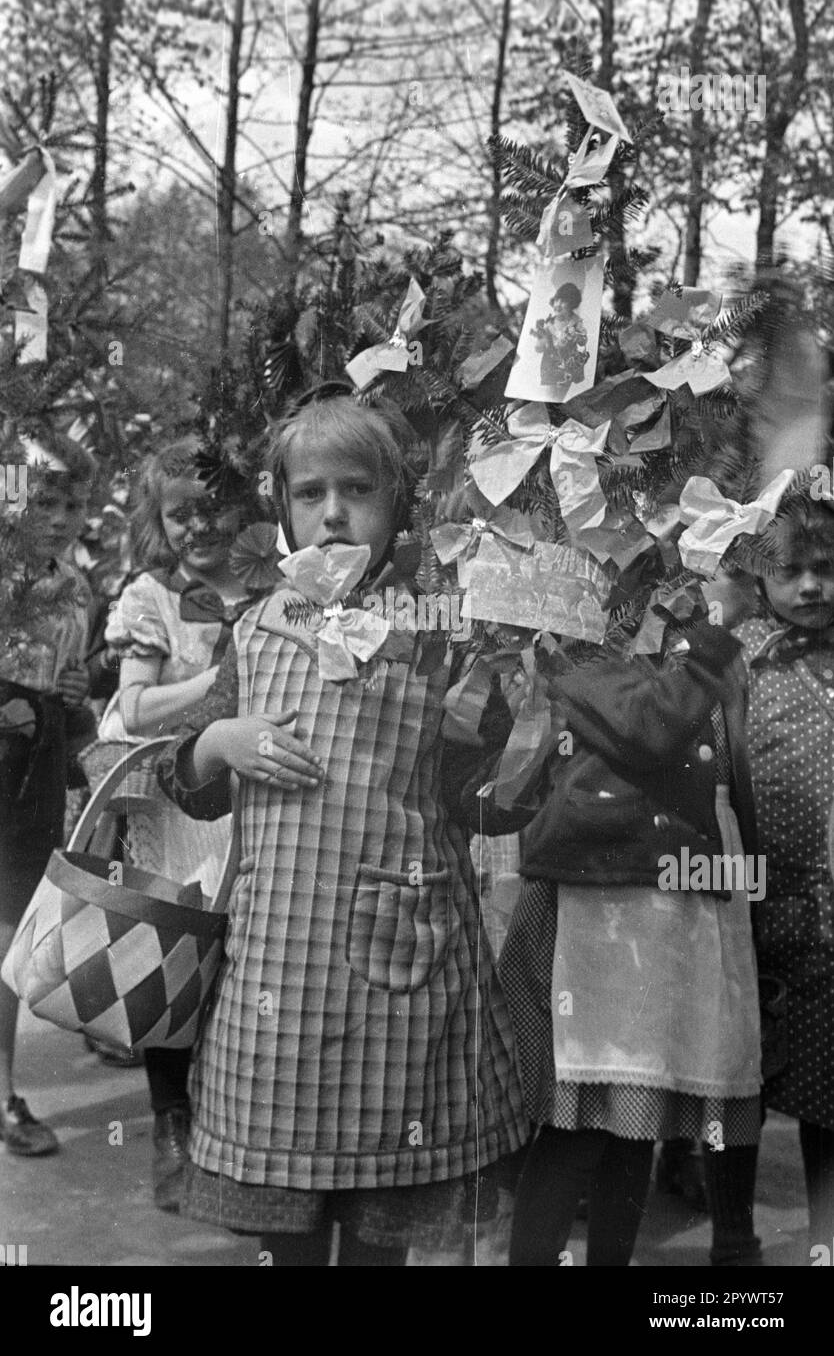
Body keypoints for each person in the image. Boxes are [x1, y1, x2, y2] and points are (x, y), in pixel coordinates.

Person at [157, 393, 528, 1266]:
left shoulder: (442, 633)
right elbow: (189, 784)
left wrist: (497, 731)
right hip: (277, 976)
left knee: (384, 1216)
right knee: (287, 1216)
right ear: (281, 506)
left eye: (356, 489)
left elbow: (485, 804)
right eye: (308, 492)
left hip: (401, 964)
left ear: (398, 501)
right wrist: (221, 740)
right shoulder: (256, 630)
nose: (332, 512)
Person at [447, 573, 763, 1266]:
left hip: (660, 910)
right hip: (597, 915)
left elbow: (725, 774)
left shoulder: (669, 656)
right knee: (575, 1122)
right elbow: (649, 728)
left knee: (634, 1121)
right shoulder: (581, 657)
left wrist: (746, 880)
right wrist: (720, 630)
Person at [103, 437, 267, 1211]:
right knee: (172, 967)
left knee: (239, 974)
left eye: (213, 508)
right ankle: (174, 1133)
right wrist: (219, 678)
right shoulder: (153, 598)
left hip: (249, 810)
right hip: (177, 812)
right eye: (178, 516)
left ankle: (234, 1140)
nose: (198, 528)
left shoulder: (273, 584)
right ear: (157, 523)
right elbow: (134, 706)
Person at [736, 497, 834, 1257]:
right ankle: (732, 1243)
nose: (809, 587)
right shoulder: (739, 658)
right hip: (753, 904)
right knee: (737, 1083)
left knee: (825, 1092)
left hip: (829, 914)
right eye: (789, 570)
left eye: (825, 569)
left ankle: (826, 1241)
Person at [0, 434, 95, 1155]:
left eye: (73, 503)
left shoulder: (77, 585)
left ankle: (3, 1095)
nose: (60, 518)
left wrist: (73, 694)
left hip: (36, 768)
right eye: (45, 502)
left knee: (8, 936)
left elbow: (75, 686)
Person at [532, 281, 589, 393]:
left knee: (566, 394)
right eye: (557, 299)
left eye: (563, 301)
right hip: (550, 366)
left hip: (569, 364)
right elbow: (538, 348)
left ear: (572, 304)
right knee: (549, 394)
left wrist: (577, 337)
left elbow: (583, 341)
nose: (557, 304)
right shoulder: (549, 323)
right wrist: (541, 339)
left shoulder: (576, 322)